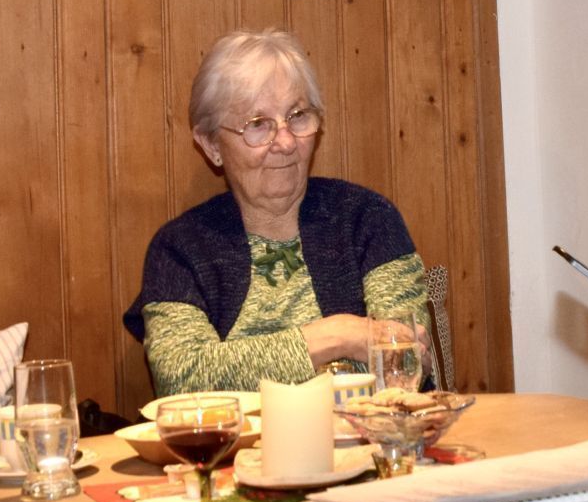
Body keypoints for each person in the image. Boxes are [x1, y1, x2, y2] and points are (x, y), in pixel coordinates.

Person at [124, 28, 427, 395]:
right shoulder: (180, 249)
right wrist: (339, 336)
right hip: (236, 453)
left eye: (297, 116)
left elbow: (404, 361)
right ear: (211, 145)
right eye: (258, 125)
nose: (285, 142)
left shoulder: (368, 219)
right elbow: (183, 380)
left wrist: (239, 366)